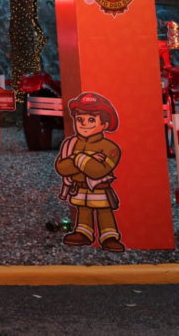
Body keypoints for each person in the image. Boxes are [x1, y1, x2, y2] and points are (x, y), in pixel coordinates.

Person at [54, 91, 125, 253]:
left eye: (91, 120)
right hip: (79, 187)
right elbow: (62, 167)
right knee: (83, 210)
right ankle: (83, 233)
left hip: (99, 189)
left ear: (104, 124)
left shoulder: (109, 147)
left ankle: (109, 237)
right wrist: (86, 159)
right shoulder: (70, 144)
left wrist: (77, 158)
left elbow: (98, 171)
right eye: (80, 119)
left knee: (104, 211)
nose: (84, 124)